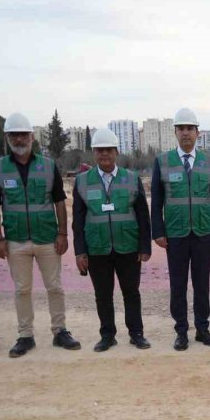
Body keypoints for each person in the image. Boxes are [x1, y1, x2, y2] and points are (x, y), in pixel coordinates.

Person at [0, 113, 81, 358]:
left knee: (55, 287)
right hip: (15, 240)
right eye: (14, 135)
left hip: (47, 238)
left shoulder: (48, 166)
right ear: (7, 138)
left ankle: (60, 331)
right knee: (22, 290)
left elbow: (59, 201)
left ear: (31, 136)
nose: (19, 139)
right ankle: (25, 336)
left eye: (23, 134)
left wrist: (63, 233)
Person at [150, 108, 210, 350]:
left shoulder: (209, 161)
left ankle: (202, 329)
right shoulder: (162, 162)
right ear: (175, 132)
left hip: (203, 233)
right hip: (176, 234)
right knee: (178, 285)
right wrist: (158, 231)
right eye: (181, 128)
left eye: (190, 128)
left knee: (202, 285)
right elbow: (156, 200)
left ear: (197, 133)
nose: (185, 133)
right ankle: (181, 331)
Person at [72, 128, 152, 352]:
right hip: (97, 248)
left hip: (128, 246)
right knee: (103, 295)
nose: (104, 154)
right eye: (100, 150)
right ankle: (107, 335)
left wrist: (144, 246)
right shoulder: (82, 181)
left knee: (131, 292)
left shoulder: (132, 178)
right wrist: (80, 251)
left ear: (116, 151)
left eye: (108, 149)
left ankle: (136, 334)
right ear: (94, 153)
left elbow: (143, 216)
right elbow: (77, 220)